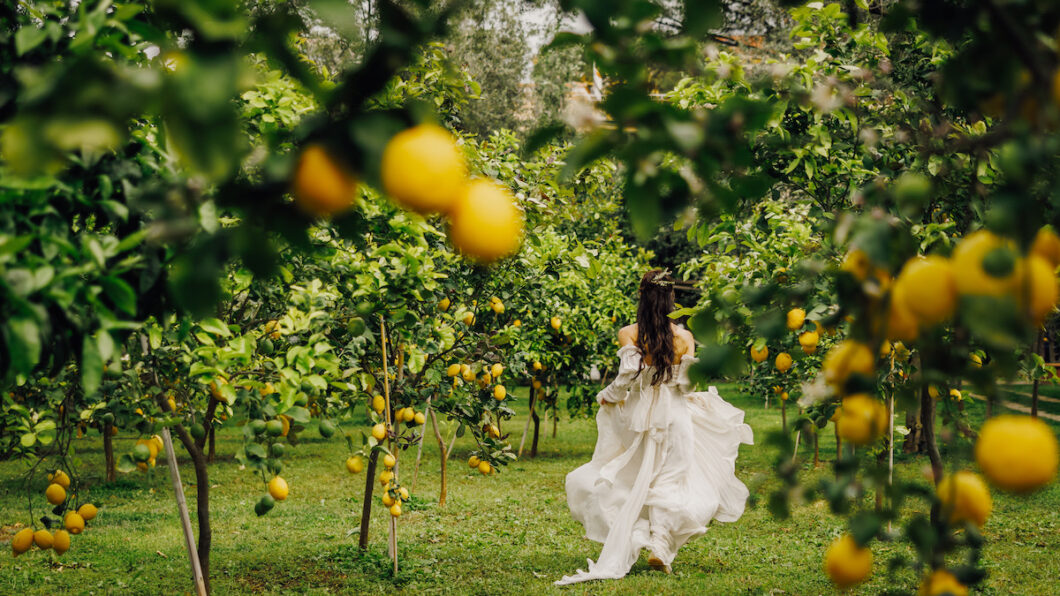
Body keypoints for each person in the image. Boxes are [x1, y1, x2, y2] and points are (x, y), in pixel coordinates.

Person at [555, 269, 754, 585]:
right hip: (675, 416)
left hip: (638, 417)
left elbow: (625, 377)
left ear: (642, 296)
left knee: (630, 478)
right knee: (671, 478)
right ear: (671, 299)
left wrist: (607, 397)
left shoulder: (629, 333)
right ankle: (659, 543)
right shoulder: (685, 338)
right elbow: (686, 387)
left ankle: (640, 536)